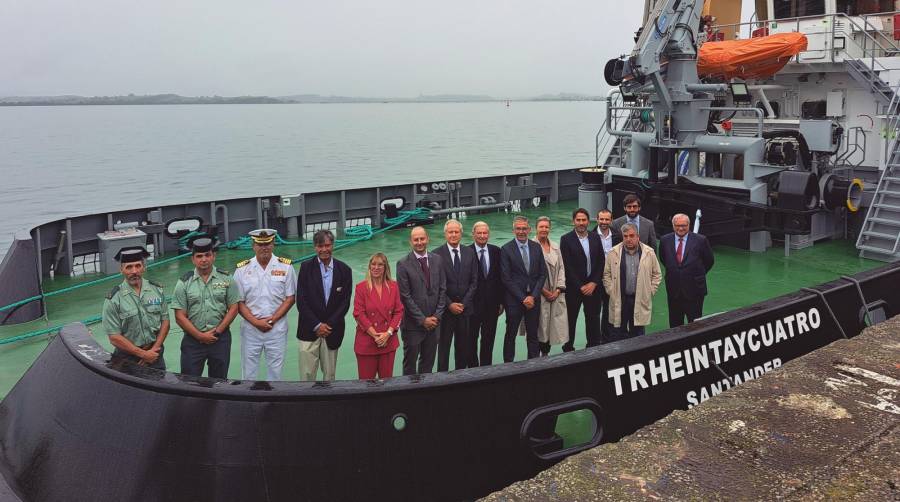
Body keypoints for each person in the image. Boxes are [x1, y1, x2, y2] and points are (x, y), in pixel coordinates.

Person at [171, 235, 240, 378]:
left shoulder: (227, 278)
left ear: (213, 256)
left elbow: (234, 308)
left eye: (207, 255)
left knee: (219, 381)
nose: (204, 259)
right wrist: (200, 336)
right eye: (199, 256)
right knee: (189, 382)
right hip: (193, 341)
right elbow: (179, 316)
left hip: (220, 339)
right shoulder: (183, 283)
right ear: (193, 259)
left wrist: (217, 332)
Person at [233, 229, 296, 381]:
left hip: (276, 329)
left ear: (273, 244)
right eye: (260, 244)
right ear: (253, 246)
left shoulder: (286, 267)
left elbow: (290, 298)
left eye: (267, 243)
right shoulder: (242, 270)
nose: (264, 248)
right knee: (249, 373)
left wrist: (272, 320)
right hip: (250, 330)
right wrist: (256, 322)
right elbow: (238, 301)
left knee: (275, 373)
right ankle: (249, 403)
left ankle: (272, 403)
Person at [295, 229, 352, 381]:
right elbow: (301, 301)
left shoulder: (345, 270)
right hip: (308, 330)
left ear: (333, 245)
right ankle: (307, 405)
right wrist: (316, 325)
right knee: (306, 376)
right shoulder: (306, 268)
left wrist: (328, 325)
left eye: (327, 245)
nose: (324, 249)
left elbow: (345, 302)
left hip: (332, 332)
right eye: (320, 246)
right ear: (315, 247)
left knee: (330, 376)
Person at [101, 246, 169, 370]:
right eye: (129, 267)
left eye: (138, 266)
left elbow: (165, 321)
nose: (134, 271)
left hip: (155, 354)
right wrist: (143, 354)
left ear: (144, 267)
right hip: (127, 359)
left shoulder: (157, 290)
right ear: (121, 270)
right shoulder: (114, 299)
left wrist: (153, 350)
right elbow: (114, 337)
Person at [396, 226, 447, 375]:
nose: (419, 242)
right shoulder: (403, 264)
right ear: (410, 242)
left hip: (434, 325)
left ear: (427, 239)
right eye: (416, 240)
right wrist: (423, 319)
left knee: (428, 365)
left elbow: (442, 289)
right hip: (413, 326)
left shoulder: (437, 260)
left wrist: (437, 316)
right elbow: (405, 296)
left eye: (422, 239)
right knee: (410, 367)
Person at [433, 219, 478, 371]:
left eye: (456, 232)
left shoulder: (469, 252)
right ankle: (442, 380)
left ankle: (461, 377)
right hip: (445, 312)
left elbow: (474, 282)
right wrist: (449, 304)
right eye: (450, 232)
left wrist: (463, 304)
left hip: (465, 311)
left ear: (461, 233)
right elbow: (436, 285)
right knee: (444, 349)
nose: (453, 235)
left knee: (463, 348)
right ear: (445, 234)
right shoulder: (436, 255)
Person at [603, 223, 661, 340]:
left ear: (638, 236)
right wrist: (611, 290)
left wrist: (649, 291)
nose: (628, 239)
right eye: (625, 236)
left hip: (639, 298)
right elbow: (606, 274)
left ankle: (638, 356)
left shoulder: (649, 252)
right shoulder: (613, 253)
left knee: (638, 333)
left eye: (631, 236)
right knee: (618, 332)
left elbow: (657, 274)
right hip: (620, 298)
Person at [501, 216, 547, 362]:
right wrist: (522, 298)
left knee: (533, 334)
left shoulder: (536, 247)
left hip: (533, 299)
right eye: (518, 229)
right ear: (513, 230)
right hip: (514, 300)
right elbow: (506, 278)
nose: (521, 232)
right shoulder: (506, 249)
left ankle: (533, 363)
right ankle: (509, 365)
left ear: (529, 229)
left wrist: (533, 296)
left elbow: (542, 274)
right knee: (511, 334)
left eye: (524, 228)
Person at [353, 253, 404, 379]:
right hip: (367, 343)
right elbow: (358, 313)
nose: (376, 267)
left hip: (388, 342)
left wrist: (388, 334)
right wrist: (375, 335)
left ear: (385, 267)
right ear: (369, 267)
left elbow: (399, 311)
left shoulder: (394, 286)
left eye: (380, 264)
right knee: (366, 384)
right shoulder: (361, 288)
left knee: (386, 384)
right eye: (373, 264)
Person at [659, 213, 715, 327]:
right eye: (677, 225)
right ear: (673, 225)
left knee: (695, 324)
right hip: (674, 290)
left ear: (689, 225)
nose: (680, 228)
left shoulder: (701, 240)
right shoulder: (665, 240)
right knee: (674, 324)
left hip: (695, 291)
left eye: (684, 225)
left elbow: (709, 260)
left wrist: (696, 274)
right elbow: (664, 259)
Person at [559, 208, 603, 351]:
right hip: (574, 288)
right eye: (578, 220)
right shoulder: (565, 239)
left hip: (593, 287)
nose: (581, 223)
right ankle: (568, 347)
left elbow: (601, 261)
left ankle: (593, 346)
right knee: (570, 319)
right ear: (573, 221)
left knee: (593, 319)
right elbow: (567, 266)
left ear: (588, 221)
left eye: (584, 220)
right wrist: (581, 286)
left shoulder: (595, 237)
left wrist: (594, 282)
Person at [469, 221, 503, 366]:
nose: (482, 236)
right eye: (479, 233)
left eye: (485, 233)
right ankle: (472, 369)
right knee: (471, 340)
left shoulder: (496, 251)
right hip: (472, 306)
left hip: (492, 306)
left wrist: (502, 302)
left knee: (488, 339)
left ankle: (486, 368)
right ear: (473, 234)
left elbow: (501, 278)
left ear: (488, 234)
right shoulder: (466, 252)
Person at [533, 216, 568, 355]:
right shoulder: (531, 245)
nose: (544, 229)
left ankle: (546, 355)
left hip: (555, 294)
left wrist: (558, 289)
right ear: (536, 228)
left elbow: (561, 269)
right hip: (539, 295)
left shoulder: (555, 246)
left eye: (546, 227)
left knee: (552, 328)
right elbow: (529, 274)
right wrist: (544, 291)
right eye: (541, 226)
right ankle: (535, 359)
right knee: (538, 328)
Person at [594, 208, 620, 342]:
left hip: (612, 280)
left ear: (611, 220)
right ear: (597, 219)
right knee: (594, 311)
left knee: (609, 311)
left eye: (607, 219)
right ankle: (595, 339)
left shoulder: (617, 236)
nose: (604, 222)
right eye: (601, 219)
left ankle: (606, 338)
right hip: (595, 280)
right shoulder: (590, 235)